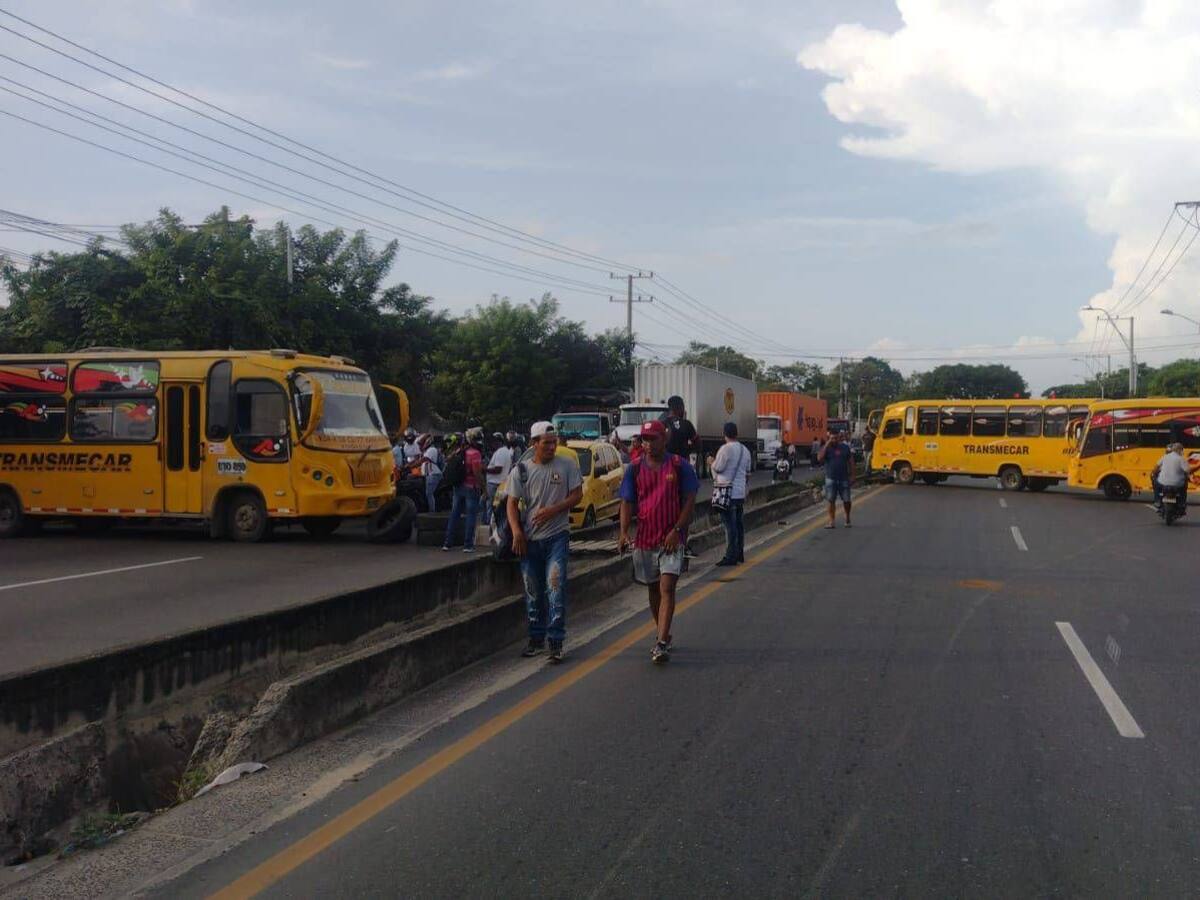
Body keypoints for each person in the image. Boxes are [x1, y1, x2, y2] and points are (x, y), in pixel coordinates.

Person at [618, 420, 699, 664]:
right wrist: (623, 532)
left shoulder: (680, 466)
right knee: (653, 588)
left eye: (653, 439)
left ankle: (661, 642)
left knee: (667, 587)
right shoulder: (634, 469)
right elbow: (627, 502)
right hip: (645, 538)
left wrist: (677, 530)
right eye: (645, 439)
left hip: (671, 538)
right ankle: (663, 631)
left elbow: (690, 501)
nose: (648, 444)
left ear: (664, 439)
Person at [506, 422, 582, 664]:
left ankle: (556, 640)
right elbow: (511, 503)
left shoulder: (567, 465)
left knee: (555, 586)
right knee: (532, 590)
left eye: (553, 442)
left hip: (557, 536)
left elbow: (577, 495)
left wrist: (553, 510)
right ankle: (536, 638)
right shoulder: (521, 471)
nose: (551, 447)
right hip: (530, 540)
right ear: (534, 443)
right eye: (546, 443)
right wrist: (517, 531)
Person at [709, 422, 752, 566]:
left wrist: (711, 462)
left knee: (729, 526)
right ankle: (739, 553)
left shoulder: (725, 449)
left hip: (727, 493)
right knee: (739, 525)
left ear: (724, 434)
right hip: (740, 493)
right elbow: (747, 473)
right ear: (737, 434)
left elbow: (718, 468)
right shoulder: (745, 450)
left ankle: (730, 556)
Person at [442, 427, 485, 552]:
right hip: (471, 488)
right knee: (471, 516)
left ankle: (447, 543)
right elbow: (477, 473)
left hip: (458, 486)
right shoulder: (475, 453)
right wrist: (484, 488)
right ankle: (468, 545)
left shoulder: (460, 451)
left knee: (454, 515)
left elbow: (447, 460)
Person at [818, 429, 854, 529]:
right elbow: (819, 458)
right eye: (832, 438)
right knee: (831, 500)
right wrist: (826, 445)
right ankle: (832, 521)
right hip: (830, 479)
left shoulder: (845, 447)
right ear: (829, 438)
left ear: (839, 438)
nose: (834, 440)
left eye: (836, 438)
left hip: (844, 478)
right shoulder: (826, 448)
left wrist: (852, 475)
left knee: (847, 500)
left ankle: (847, 518)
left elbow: (851, 461)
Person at [483, 432, 514, 526]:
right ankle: (494, 524)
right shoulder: (505, 451)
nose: (492, 444)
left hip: (495, 484)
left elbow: (498, 469)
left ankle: (489, 524)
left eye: (494, 442)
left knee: (491, 506)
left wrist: (484, 469)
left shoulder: (501, 452)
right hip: (500, 483)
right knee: (496, 506)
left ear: (499, 442)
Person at [1152, 442, 1190, 508]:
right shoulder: (1181, 458)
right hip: (1178, 484)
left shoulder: (1164, 457)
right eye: (1182, 450)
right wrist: (1187, 476)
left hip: (1163, 483)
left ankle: (1157, 500)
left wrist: (1154, 474)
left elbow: (1156, 468)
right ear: (1179, 450)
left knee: (1155, 483)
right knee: (1184, 487)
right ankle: (1182, 502)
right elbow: (1187, 470)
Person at [664, 395, 699, 464]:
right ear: (681, 407)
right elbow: (698, 444)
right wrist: (687, 449)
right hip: (682, 463)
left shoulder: (662, 424)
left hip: (666, 463)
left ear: (669, 408)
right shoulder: (687, 424)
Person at [419, 434, 442, 512]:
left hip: (434, 474)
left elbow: (423, 459)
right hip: (429, 475)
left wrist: (410, 465)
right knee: (428, 493)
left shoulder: (431, 449)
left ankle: (432, 511)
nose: (421, 445)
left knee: (429, 493)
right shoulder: (426, 451)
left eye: (422, 443)